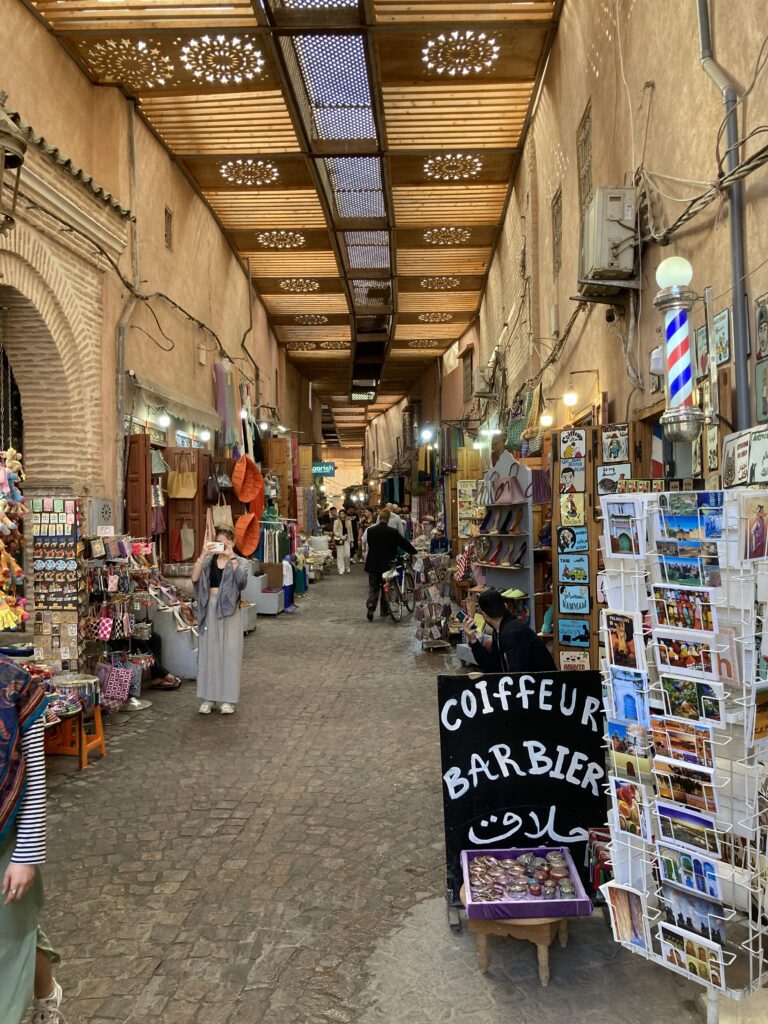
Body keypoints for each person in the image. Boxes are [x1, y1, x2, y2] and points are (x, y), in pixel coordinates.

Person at [0, 659, 63, 1024]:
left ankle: (43, 1000)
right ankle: (46, 994)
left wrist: (26, 855)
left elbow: (34, 776)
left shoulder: (15, 686)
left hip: (7, 839)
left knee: (12, 934)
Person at [192, 527, 249, 715]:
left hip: (230, 609)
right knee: (209, 651)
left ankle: (228, 699)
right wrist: (202, 553)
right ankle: (208, 697)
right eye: (218, 541)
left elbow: (241, 582)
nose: (220, 545)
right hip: (209, 607)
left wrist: (231, 556)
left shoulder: (240, 562)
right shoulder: (209, 561)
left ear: (231, 542)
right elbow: (195, 578)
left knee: (230, 652)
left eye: (224, 541)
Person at [464, 589, 556, 673]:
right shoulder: (500, 629)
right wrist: (474, 641)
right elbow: (494, 667)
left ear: (485, 614)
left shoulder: (513, 633)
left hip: (544, 687)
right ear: (505, 606)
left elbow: (517, 675)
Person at [363, 507, 416, 621]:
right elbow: (403, 543)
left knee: (374, 587)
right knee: (385, 587)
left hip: (372, 564)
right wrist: (414, 551)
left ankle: (371, 605)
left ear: (379, 518)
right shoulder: (392, 532)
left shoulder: (371, 531)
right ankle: (384, 611)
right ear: (387, 520)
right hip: (387, 564)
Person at [333, 508, 353, 575]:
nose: (342, 515)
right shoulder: (336, 522)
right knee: (340, 555)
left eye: (343, 514)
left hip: (347, 539)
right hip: (339, 540)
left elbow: (351, 532)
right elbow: (334, 531)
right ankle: (341, 569)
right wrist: (340, 536)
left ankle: (347, 567)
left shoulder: (349, 522)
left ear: (345, 514)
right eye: (340, 514)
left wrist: (352, 541)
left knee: (347, 554)